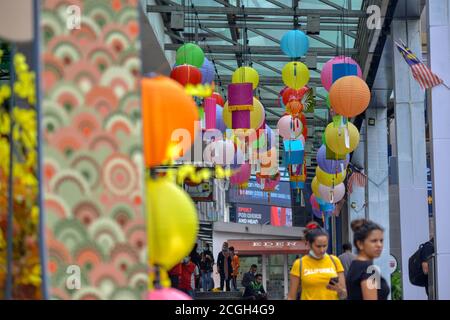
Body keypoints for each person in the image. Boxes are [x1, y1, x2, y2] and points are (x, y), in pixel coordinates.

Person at [287, 221, 347, 300]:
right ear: (309, 244)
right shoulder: (299, 264)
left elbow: (344, 295)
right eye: (318, 246)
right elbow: (291, 296)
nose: (322, 250)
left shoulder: (335, 261)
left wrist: (340, 290)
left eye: (325, 246)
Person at [346, 219, 390, 300]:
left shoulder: (355, 265)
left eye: (381, 240)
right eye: (374, 241)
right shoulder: (369, 270)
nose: (379, 245)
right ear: (360, 244)